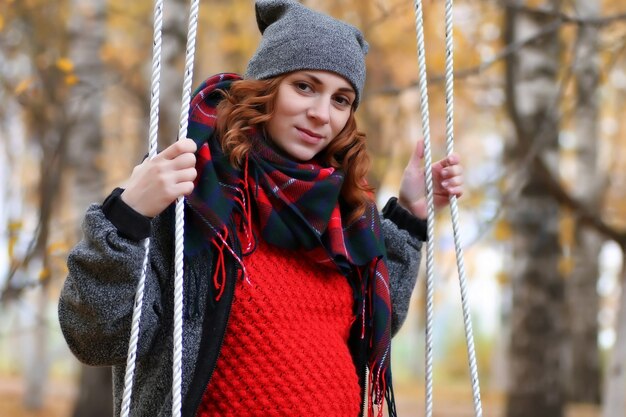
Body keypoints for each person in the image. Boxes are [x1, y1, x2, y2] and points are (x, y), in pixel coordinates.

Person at [58, 1, 464, 416]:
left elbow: (373, 324)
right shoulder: (191, 192)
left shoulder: (341, 209)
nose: (321, 114)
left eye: (341, 100)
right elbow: (96, 337)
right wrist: (127, 218)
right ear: (266, 87)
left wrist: (412, 215)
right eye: (304, 86)